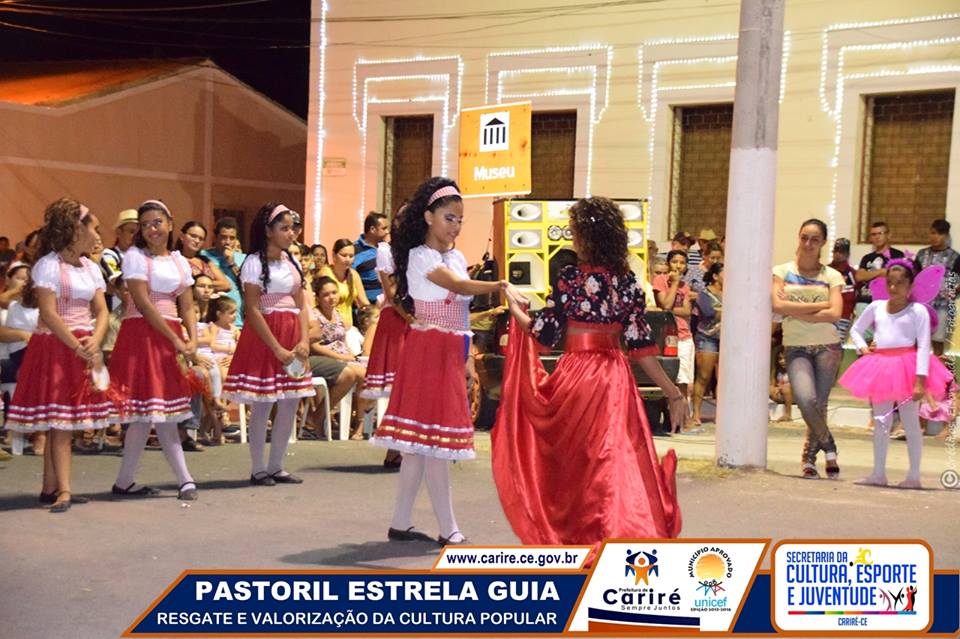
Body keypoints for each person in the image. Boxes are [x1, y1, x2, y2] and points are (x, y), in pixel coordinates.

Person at [493, 195, 683, 550]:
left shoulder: (570, 278)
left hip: (576, 374)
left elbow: (544, 334)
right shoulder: (628, 282)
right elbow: (641, 345)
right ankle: (616, 530)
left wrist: (516, 308)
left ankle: (579, 533)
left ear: (585, 236)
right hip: (614, 378)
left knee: (577, 461)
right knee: (612, 457)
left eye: (574, 231)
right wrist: (672, 392)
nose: (572, 238)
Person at [371, 177, 518, 546]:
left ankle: (401, 522)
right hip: (427, 349)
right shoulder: (420, 256)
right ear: (428, 217)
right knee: (432, 444)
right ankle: (449, 528)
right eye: (449, 218)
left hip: (449, 350)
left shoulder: (455, 257)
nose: (455, 226)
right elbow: (459, 287)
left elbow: (462, 313)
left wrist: (466, 359)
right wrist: (500, 285)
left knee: (421, 447)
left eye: (460, 220)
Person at [5, 199, 112, 512]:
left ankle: (49, 487)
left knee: (63, 421)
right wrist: (76, 345)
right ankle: (64, 490)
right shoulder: (48, 266)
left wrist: (95, 339)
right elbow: (49, 314)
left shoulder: (90, 268)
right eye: (93, 228)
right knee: (61, 421)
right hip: (55, 346)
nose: (97, 234)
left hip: (82, 344)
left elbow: (102, 310)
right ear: (76, 229)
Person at [109, 200, 199, 501]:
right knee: (156, 412)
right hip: (143, 335)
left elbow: (187, 305)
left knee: (150, 413)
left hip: (169, 334)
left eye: (157, 222)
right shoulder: (135, 257)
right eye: (145, 225)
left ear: (170, 224)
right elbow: (144, 304)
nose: (152, 229)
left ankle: (124, 481)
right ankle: (185, 479)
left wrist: (192, 338)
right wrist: (177, 341)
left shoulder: (179, 261)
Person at [838, 260, 952, 489]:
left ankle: (914, 476)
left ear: (910, 286)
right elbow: (856, 330)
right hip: (881, 366)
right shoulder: (876, 307)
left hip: (907, 367)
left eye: (900, 283)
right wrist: (863, 349)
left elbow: (924, 345)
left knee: (910, 422)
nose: (893, 287)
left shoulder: (917, 311)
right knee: (881, 421)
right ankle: (878, 473)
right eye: (890, 282)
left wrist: (920, 380)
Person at [223, 203, 315, 486]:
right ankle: (258, 468)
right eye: (284, 228)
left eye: (292, 228)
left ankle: (277, 465)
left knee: (290, 402)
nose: (291, 234)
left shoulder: (292, 262)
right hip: (266, 336)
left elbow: (301, 305)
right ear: (268, 231)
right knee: (263, 403)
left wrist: (303, 340)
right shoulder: (253, 263)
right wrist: (277, 348)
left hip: (292, 334)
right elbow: (252, 308)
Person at [772, 218, 844, 479]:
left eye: (815, 239)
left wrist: (797, 310)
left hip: (828, 346)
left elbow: (835, 313)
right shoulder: (782, 271)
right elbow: (778, 307)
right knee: (805, 400)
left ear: (823, 242)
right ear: (798, 238)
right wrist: (818, 307)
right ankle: (829, 445)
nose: (808, 243)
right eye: (804, 237)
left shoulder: (832, 275)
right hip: (796, 346)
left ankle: (809, 459)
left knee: (819, 404)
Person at [308, 276, 366, 435]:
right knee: (363, 375)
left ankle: (353, 416)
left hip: (345, 355)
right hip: (326, 357)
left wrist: (350, 354)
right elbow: (313, 345)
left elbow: (342, 339)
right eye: (326, 294)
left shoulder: (338, 315)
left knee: (371, 377)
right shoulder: (314, 316)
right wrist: (339, 357)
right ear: (318, 298)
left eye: (334, 292)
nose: (331, 297)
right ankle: (356, 422)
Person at [653, 249, 694, 430]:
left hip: (684, 335)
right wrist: (675, 284)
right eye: (675, 262)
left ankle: (683, 419)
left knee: (684, 380)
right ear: (669, 263)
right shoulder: (660, 281)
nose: (678, 266)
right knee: (669, 378)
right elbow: (666, 304)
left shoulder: (685, 286)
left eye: (682, 263)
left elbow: (686, 311)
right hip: (666, 336)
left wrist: (670, 308)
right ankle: (671, 418)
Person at [914, 219, 960, 356]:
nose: (935, 237)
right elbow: (913, 277)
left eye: (940, 234)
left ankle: (937, 369)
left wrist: (951, 291)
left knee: (938, 343)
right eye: (933, 233)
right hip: (921, 306)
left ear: (946, 236)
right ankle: (915, 367)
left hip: (943, 306)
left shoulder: (955, 257)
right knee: (916, 341)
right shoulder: (921, 254)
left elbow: (958, 281)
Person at [691, 262, 723, 427]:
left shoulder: (734, 293)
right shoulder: (704, 294)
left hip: (727, 339)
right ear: (715, 276)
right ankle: (696, 412)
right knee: (704, 377)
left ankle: (721, 414)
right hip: (708, 337)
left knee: (724, 379)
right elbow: (709, 313)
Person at [854, 221, 904, 320]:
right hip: (865, 300)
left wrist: (869, 274)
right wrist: (880, 272)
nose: (877, 237)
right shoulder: (867, 258)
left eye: (880, 233)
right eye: (874, 234)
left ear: (888, 235)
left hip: (887, 302)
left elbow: (898, 277)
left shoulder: (897, 255)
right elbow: (859, 276)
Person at [201, 217, 245, 327]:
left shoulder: (243, 259)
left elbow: (246, 286)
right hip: (210, 319)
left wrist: (232, 263)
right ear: (215, 237)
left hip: (236, 320)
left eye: (232, 238)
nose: (227, 242)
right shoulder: (203, 256)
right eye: (223, 237)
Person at [319, 239, 371, 331]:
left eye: (351, 256)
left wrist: (373, 314)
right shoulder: (325, 274)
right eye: (344, 255)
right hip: (330, 326)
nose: (348, 259)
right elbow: (323, 305)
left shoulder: (353, 275)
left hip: (349, 327)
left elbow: (364, 302)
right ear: (334, 255)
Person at [176, 221, 233, 293]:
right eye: (193, 236)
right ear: (182, 236)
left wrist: (198, 285)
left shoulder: (205, 260)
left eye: (201, 239)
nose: (197, 241)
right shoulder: (174, 259)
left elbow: (226, 285)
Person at [354, 212, 390, 304]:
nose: (387, 232)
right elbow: (351, 279)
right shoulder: (354, 250)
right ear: (372, 229)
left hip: (386, 303)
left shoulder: (387, 248)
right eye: (384, 228)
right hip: (367, 306)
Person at [828, 238, 857, 340]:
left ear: (847, 254)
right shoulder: (826, 270)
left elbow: (856, 292)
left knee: (837, 341)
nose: (838, 254)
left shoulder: (851, 273)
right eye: (836, 251)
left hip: (844, 314)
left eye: (841, 252)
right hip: (826, 313)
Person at [769, 351, 793, 422]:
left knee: (786, 388)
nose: (782, 361)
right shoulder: (777, 371)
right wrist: (774, 388)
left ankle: (788, 414)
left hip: (792, 395)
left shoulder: (793, 371)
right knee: (768, 388)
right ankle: (766, 413)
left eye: (785, 358)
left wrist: (780, 388)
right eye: (780, 359)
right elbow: (773, 384)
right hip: (780, 395)